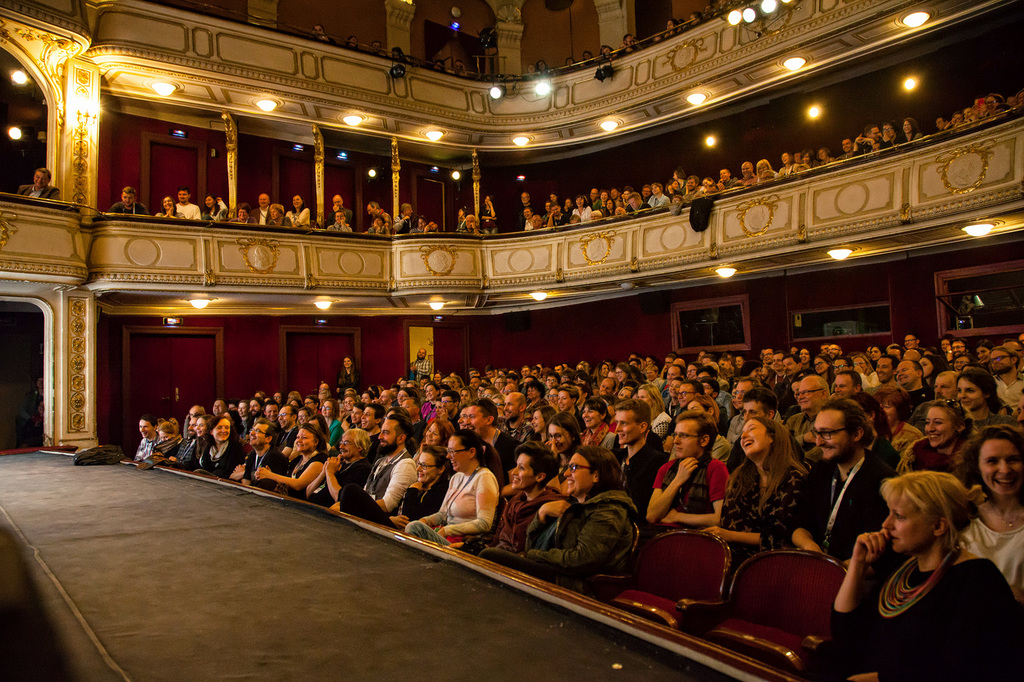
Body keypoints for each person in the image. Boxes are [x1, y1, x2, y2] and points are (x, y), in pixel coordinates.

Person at [831, 471, 1024, 680]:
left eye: (899, 516)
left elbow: (964, 667)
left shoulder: (977, 580)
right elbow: (845, 634)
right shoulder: (903, 569)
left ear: (939, 526)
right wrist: (858, 564)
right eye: (889, 513)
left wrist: (882, 678)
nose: (886, 524)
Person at [480, 446, 638, 594]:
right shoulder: (573, 506)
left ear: (596, 475)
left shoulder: (610, 510)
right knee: (488, 556)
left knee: (492, 557)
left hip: (579, 584)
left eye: (574, 468)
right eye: (568, 467)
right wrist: (541, 514)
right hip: (560, 573)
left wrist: (534, 555)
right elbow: (531, 545)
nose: (567, 473)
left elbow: (583, 559)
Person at [790, 398, 896, 561]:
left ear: (857, 434)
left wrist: (836, 569)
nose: (818, 442)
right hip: (817, 563)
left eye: (827, 433)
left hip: (855, 571)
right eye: (817, 433)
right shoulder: (820, 470)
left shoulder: (883, 481)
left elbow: (881, 553)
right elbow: (798, 523)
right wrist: (809, 545)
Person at [705, 416, 806, 564]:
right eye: (742, 432)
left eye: (751, 429)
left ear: (772, 437)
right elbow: (730, 523)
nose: (743, 436)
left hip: (776, 561)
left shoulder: (794, 478)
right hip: (734, 556)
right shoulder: (740, 477)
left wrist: (730, 536)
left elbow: (781, 537)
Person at [956, 425, 1024, 603]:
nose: (1005, 470)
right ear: (976, 467)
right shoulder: (963, 516)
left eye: (1013, 459)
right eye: (992, 461)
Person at [404, 430, 500, 546]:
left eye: (452, 451)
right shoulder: (456, 477)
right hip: (447, 536)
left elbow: (484, 523)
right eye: (448, 451)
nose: (448, 456)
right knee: (415, 525)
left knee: (414, 528)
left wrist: (448, 530)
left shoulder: (484, 478)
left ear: (471, 452)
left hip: (463, 543)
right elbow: (442, 514)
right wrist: (425, 520)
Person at [647, 411, 729, 528]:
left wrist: (677, 517)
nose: (676, 441)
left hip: (696, 535)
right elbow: (651, 516)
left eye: (684, 435)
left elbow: (719, 519)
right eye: (675, 435)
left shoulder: (716, 468)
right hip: (664, 533)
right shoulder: (667, 468)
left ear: (704, 440)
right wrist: (678, 480)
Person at [489, 442, 565, 553]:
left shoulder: (551, 508)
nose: (514, 472)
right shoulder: (515, 501)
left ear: (539, 477)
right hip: (495, 556)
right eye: (516, 465)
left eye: (521, 468)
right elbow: (496, 539)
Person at [255, 421, 328, 499]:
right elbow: (287, 482)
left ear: (316, 442)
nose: (299, 441)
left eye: (304, 438)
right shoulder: (297, 460)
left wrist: (270, 475)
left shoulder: (320, 459)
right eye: (297, 437)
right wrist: (270, 475)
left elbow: (298, 484)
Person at [898, 400, 971, 473]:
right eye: (927, 422)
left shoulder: (969, 461)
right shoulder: (916, 453)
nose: (930, 429)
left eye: (938, 422)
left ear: (959, 427)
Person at [306, 428, 372, 506]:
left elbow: (340, 499)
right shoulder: (338, 464)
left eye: (346, 443)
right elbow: (308, 493)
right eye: (341, 442)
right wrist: (324, 472)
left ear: (360, 446)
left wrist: (330, 473)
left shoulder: (362, 469)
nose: (340, 446)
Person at [232, 418, 288, 486]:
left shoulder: (276, 457)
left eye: (257, 431)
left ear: (268, 439)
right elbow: (246, 482)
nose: (252, 433)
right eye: (252, 430)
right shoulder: (252, 454)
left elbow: (266, 486)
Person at [196, 413, 245, 478]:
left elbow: (230, 472)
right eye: (219, 428)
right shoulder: (208, 446)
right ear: (211, 432)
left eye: (227, 428)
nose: (223, 431)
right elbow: (204, 468)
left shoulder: (235, 447)